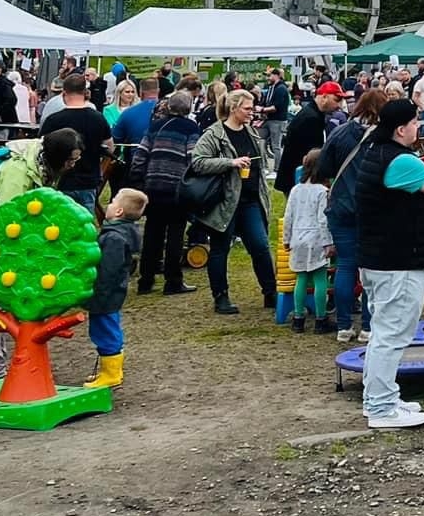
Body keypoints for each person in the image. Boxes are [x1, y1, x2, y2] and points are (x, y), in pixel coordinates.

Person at [356, 97, 424, 430]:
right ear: (401, 128)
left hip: (379, 257)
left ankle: (380, 397)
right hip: (398, 259)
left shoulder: (373, 152)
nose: (417, 128)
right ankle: (381, 408)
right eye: (414, 123)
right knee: (392, 335)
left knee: (383, 331)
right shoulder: (399, 161)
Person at [0, 131, 76, 380]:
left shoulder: (43, 167)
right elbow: (6, 217)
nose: (73, 164)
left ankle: (13, 367)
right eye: (71, 159)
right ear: (58, 156)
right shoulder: (19, 171)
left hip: (12, 247)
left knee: (11, 308)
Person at [191, 89, 277, 317]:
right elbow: (198, 162)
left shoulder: (251, 131)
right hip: (224, 202)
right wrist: (229, 162)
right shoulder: (214, 134)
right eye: (248, 108)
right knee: (220, 249)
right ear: (233, 108)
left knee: (260, 246)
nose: (252, 112)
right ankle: (221, 296)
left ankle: (271, 292)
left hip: (250, 201)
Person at [315, 88, 381, 343]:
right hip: (370, 206)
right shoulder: (382, 137)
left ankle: (343, 326)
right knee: (369, 269)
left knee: (345, 265)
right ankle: (367, 326)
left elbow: (324, 166)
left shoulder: (340, 132)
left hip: (341, 204)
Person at [134, 90, 199, 296]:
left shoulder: (154, 126)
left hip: (153, 186)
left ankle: (146, 280)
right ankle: (173, 280)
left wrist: (139, 180)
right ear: (189, 109)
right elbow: (192, 158)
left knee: (152, 233)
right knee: (175, 235)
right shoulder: (191, 128)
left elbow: (140, 156)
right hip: (177, 188)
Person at [80, 188, 145, 388]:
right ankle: (107, 370)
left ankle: (111, 373)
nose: (109, 204)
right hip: (111, 293)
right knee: (105, 329)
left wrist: (96, 292)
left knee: (105, 331)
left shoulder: (114, 238)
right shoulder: (119, 233)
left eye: (113, 201)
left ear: (118, 212)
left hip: (106, 294)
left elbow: (108, 270)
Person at [41, 71, 114, 216]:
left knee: (58, 225)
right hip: (88, 181)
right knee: (84, 228)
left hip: (59, 181)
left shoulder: (53, 120)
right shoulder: (98, 118)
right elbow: (110, 147)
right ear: (85, 92)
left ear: (64, 93)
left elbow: (41, 148)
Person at [283, 149, 336, 334]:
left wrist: (286, 239)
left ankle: (298, 319)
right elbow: (323, 220)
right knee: (320, 279)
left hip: (297, 238)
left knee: (301, 279)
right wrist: (328, 242)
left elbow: (288, 216)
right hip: (316, 239)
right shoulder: (323, 191)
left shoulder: (295, 190)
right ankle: (321, 319)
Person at [277, 80, 343, 195]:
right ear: (324, 97)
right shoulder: (311, 118)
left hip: (298, 177)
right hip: (299, 179)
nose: (339, 105)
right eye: (336, 100)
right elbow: (312, 154)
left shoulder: (313, 113)